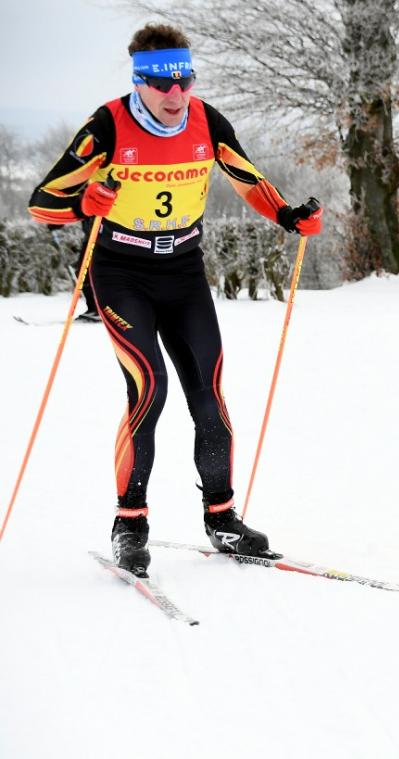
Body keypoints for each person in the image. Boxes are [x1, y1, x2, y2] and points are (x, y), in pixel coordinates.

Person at [28, 24, 322, 577]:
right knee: (150, 387)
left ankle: (222, 517)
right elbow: (43, 202)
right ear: (139, 81)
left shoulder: (206, 120)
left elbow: (248, 177)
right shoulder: (107, 125)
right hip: (121, 273)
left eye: (183, 79)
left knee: (208, 394)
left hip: (184, 271)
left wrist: (288, 215)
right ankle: (130, 523)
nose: (174, 94)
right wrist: (84, 205)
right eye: (161, 83)